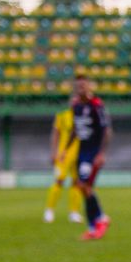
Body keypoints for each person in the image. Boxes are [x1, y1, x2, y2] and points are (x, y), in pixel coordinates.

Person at [70, 76, 112, 240]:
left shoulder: (96, 105)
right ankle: (97, 222)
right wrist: (66, 150)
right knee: (83, 187)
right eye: (78, 86)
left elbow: (106, 130)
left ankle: (97, 223)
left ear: (88, 87)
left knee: (84, 186)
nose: (81, 88)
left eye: (83, 85)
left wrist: (101, 154)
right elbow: (75, 130)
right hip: (82, 153)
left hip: (93, 153)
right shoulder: (75, 106)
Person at [44, 93, 85, 224]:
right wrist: (54, 151)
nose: (75, 103)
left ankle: (74, 212)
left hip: (79, 154)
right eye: (73, 101)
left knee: (77, 183)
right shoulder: (62, 116)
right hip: (64, 155)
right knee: (59, 181)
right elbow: (55, 134)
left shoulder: (83, 116)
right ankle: (49, 210)